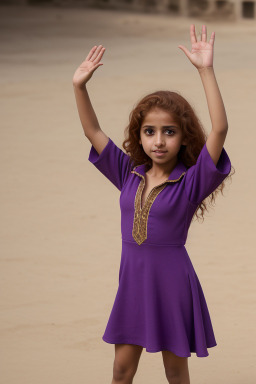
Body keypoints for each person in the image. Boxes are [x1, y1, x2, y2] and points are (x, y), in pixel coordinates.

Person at [72, 24, 234, 384]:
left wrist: (205, 71)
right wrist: (79, 87)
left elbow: (220, 130)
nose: (159, 141)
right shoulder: (127, 172)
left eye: (169, 132)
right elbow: (92, 131)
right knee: (120, 371)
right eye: (150, 131)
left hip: (173, 284)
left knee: (175, 373)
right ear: (139, 135)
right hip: (132, 284)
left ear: (183, 136)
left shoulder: (191, 183)